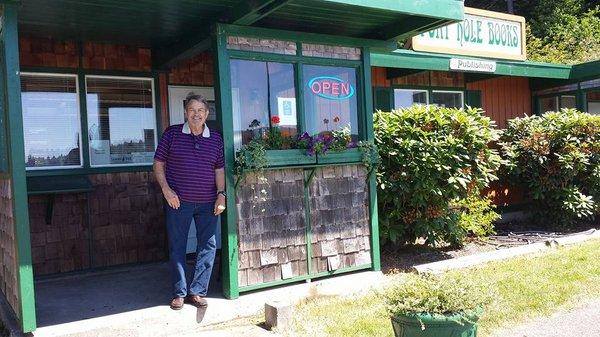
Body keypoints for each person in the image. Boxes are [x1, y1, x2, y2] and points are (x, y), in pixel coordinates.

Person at [153, 93, 226, 310]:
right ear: (186, 112)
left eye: (200, 111)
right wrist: (166, 191)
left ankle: (197, 291)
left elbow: (219, 169)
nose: (196, 114)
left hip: (208, 203)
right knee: (177, 246)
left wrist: (221, 194)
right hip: (178, 202)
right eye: (192, 110)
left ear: (206, 114)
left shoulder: (215, 139)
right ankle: (179, 292)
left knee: (208, 246)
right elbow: (158, 165)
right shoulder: (172, 134)